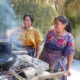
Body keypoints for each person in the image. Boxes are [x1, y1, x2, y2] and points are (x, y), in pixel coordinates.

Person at [39, 16, 74, 80]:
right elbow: (45, 46)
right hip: (45, 61)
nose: (55, 25)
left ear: (64, 25)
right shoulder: (50, 33)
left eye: (57, 23)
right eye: (54, 23)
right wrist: (39, 58)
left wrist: (68, 69)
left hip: (58, 64)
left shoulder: (69, 37)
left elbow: (70, 53)